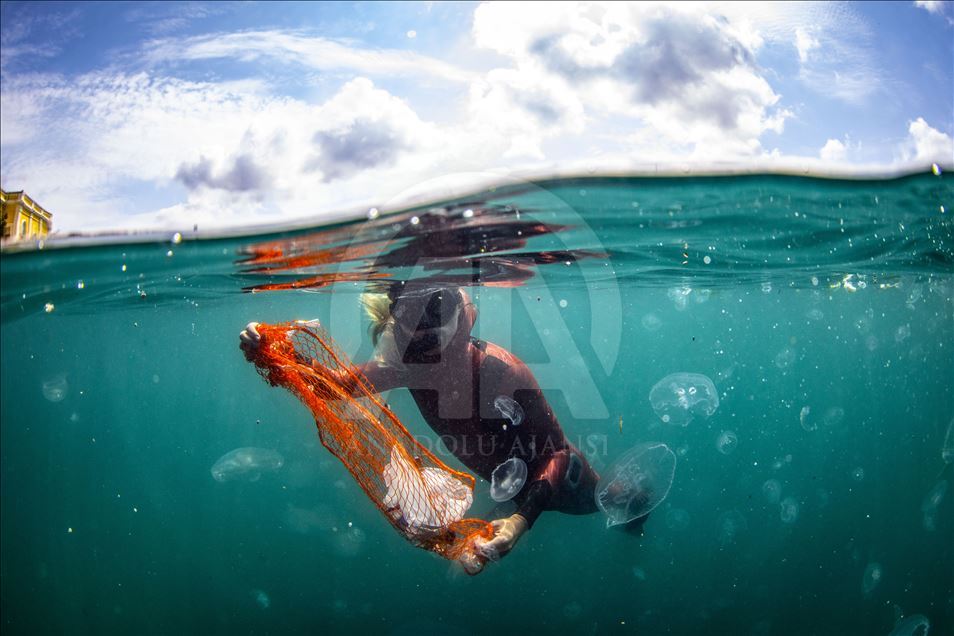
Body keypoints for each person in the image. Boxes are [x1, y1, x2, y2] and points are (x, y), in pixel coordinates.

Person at [240, 282, 603, 573]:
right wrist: (277, 354)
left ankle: (634, 508)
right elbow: (339, 386)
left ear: (463, 324)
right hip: (513, 491)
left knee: (609, 501)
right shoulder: (407, 366)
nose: (432, 362)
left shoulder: (501, 371)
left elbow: (557, 453)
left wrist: (520, 523)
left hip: (568, 480)